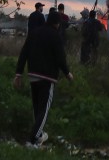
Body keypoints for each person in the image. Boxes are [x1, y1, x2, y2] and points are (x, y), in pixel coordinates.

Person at [13, 11, 74, 147]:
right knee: (44, 109)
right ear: (57, 23)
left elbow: (24, 52)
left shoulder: (34, 32)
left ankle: (39, 135)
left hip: (33, 75)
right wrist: (67, 73)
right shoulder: (55, 36)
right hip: (47, 77)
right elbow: (60, 57)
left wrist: (18, 73)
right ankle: (33, 139)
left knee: (37, 107)